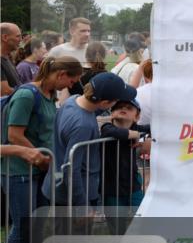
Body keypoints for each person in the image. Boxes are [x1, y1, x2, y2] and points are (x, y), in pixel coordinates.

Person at [1, 55, 83, 243]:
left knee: (35, 226)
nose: (70, 86)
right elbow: (14, 135)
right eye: (71, 80)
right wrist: (39, 156)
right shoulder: (27, 95)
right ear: (60, 75)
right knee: (22, 226)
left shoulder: (51, 96)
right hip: (18, 171)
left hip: (39, 171)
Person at [43, 71, 136, 208]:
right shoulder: (83, 126)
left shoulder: (73, 100)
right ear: (105, 103)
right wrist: (82, 205)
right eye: (116, 101)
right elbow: (71, 168)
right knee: (72, 230)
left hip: (57, 186)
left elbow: (91, 110)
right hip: (75, 196)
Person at [100, 99, 149, 209]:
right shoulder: (107, 127)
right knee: (117, 223)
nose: (123, 108)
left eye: (129, 108)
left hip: (133, 186)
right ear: (112, 113)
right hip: (111, 189)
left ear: (137, 117)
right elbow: (116, 133)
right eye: (119, 107)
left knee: (141, 218)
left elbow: (155, 128)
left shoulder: (136, 128)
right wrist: (136, 135)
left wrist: (149, 139)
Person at [1, 23, 23, 96]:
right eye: (18, 36)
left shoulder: (7, 57)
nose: (21, 40)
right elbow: (5, 91)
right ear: (5, 37)